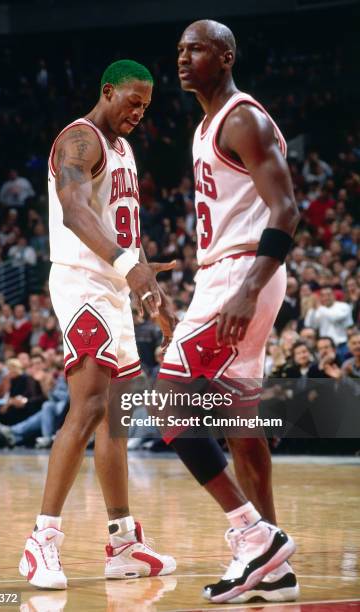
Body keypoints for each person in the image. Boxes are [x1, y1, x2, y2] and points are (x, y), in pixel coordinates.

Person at [154, 20, 299, 604]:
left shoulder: (242, 117)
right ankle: (276, 569)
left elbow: (285, 208)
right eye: (181, 50)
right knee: (241, 428)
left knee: (167, 402)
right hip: (224, 274)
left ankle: (252, 535)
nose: (185, 59)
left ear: (226, 55)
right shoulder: (208, 125)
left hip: (243, 275)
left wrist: (246, 288)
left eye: (197, 49)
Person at [19, 60, 176, 590]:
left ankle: (123, 541)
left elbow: (120, 229)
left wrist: (147, 287)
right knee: (86, 408)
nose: (138, 113)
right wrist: (129, 267)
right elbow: (73, 211)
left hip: (113, 287)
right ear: (106, 90)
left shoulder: (125, 150)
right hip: (83, 283)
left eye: (146, 106)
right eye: (132, 101)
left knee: (116, 419)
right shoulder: (79, 141)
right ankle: (41, 539)